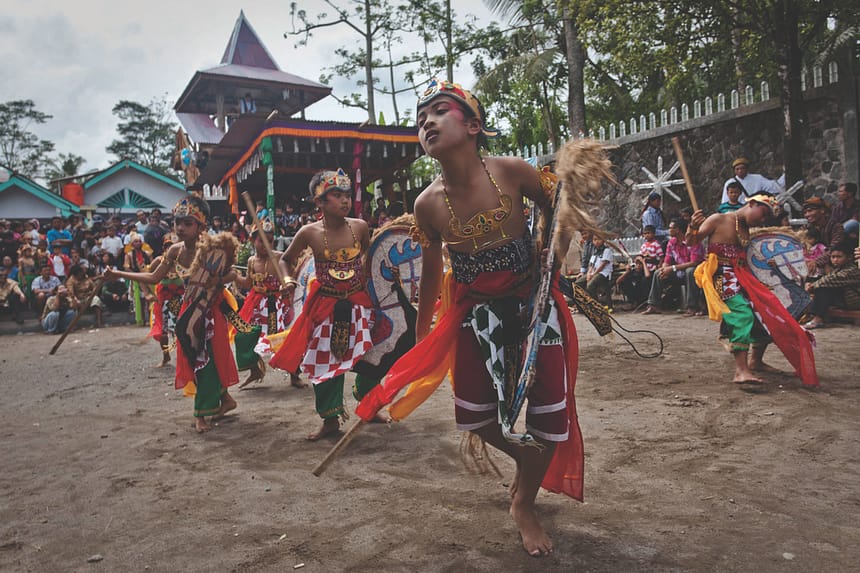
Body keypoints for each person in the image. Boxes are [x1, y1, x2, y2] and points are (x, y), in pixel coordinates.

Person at [354, 79, 597, 556]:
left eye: (439, 111)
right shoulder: (427, 205)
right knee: (477, 418)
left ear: (473, 125)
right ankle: (525, 458)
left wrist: (557, 251)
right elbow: (428, 275)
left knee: (551, 418)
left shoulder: (512, 172)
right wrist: (423, 336)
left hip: (534, 305)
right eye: (420, 117)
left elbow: (561, 207)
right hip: (473, 316)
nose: (426, 121)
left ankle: (523, 503)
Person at [105, 196, 241, 433]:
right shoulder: (175, 251)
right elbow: (154, 278)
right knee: (194, 358)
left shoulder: (211, 249)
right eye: (178, 222)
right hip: (188, 312)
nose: (180, 228)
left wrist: (213, 280)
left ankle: (201, 414)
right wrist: (119, 274)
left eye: (188, 223)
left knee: (206, 361)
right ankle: (225, 400)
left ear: (201, 225)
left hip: (210, 311)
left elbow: (231, 275)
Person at [269, 169, 380, 440]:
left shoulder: (360, 227)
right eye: (336, 196)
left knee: (372, 357)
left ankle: (371, 405)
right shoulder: (309, 233)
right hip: (326, 305)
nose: (344, 201)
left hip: (359, 302)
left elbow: (368, 257)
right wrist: (287, 280)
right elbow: (286, 259)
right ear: (318, 202)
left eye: (346, 196)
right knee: (325, 363)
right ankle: (330, 419)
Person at [687, 194, 818, 388]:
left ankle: (756, 360)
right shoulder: (718, 219)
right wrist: (692, 226)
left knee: (767, 310)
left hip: (744, 276)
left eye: (766, 218)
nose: (762, 219)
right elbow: (691, 242)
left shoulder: (746, 229)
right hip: (723, 275)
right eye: (763, 213)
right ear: (752, 203)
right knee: (742, 314)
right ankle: (741, 371)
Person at [233, 218, 304, 389]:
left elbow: (293, 277)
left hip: (278, 305)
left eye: (270, 241)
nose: (266, 245)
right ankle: (254, 370)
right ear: (252, 240)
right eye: (262, 241)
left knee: (286, 340)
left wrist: (288, 285)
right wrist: (234, 277)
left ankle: (295, 374)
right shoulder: (251, 261)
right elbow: (248, 283)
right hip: (256, 305)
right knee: (244, 336)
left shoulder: (280, 258)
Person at [642, 218, 698, 314]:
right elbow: (667, 260)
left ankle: (692, 306)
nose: (669, 230)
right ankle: (654, 305)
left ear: (678, 230)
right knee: (658, 273)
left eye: (671, 228)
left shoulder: (693, 241)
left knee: (690, 271)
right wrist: (664, 269)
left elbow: (694, 262)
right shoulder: (671, 242)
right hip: (677, 273)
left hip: (692, 273)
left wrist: (672, 268)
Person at [802, 243, 860, 329]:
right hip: (844, 300)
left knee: (824, 289)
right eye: (833, 257)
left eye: (839, 257)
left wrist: (812, 286)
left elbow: (831, 279)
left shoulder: (852, 270)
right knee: (822, 288)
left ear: (848, 258)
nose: (835, 260)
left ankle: (817, 319)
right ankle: (815, 317)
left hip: (854, 301)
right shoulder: (838, 269)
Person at [65, 264, 104, 328]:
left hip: (89, 296)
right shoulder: (70, 281)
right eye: (80, 274)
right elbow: (71, 293)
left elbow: (93, 285)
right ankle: (73, 325)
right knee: (73, 303)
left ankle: (99, 322)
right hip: (78, 298)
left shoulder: (85, 277)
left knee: (96, 299)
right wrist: (75, 300)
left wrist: (94, 291)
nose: (81, 275)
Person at [580, 235, 614, 304]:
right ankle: (582, 305)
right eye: (595, 240)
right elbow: (591, 265)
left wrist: (593, 274)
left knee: (590, 286)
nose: (597, 241)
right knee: (578, 283)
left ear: (603, 240)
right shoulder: (595, 252)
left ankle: (597, 304)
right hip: (594, 272)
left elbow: (602, 265)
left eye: (599, 239)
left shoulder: (606, 250)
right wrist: (589, 274)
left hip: (603, 273)